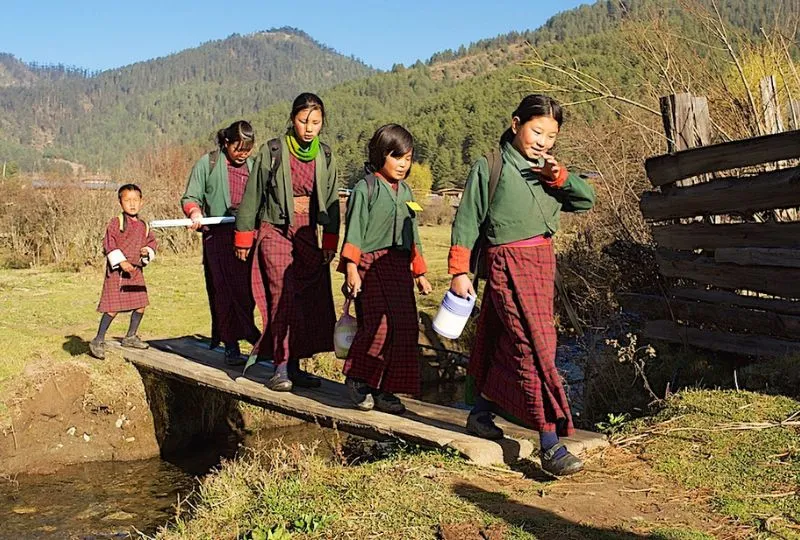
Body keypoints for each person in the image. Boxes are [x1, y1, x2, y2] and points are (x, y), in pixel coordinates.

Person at [448, 94, 595, 476]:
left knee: (501, 340)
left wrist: (559, 178)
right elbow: (466, 221)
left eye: (551, 135)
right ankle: (549, 443)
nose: (543, 141)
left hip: (542, 265)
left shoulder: (549, 171)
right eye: (536, 130)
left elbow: (586, 200)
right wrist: (459, 272)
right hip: (506, 264)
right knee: (534, 347)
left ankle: (480, 414)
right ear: (516, 125)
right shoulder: (491, 167)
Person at [235, 93, 340, 392]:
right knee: (283, 295)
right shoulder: (273, 151)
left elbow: (331, 201)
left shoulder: (326, 156)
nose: (309, 128)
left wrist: (330, 239)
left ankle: (296, 365)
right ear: (292, 119)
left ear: (322, 124)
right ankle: (280, 367)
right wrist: (244, 235)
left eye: (315, 122)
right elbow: (253, 194)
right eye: (303, 120)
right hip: (275, 230)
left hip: (308, 233)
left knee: (308, 297)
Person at [339, 124, 433, 414]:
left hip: (398, 267)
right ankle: (357, 378)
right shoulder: (364, 189)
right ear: (381, 156)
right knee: (378, 326)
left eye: (408, 157)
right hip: (369, 264)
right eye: (397, 157)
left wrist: (420, 272)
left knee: (405, 327)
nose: (404, 164)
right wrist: (352, 268)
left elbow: (412, 233)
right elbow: (354, 231)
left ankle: (384, 389)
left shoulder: (406, 191)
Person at [181, 120, 260, 365]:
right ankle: (231, 343)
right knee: (224, 290)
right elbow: (190, 196)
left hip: (247, 236)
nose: (243, 154)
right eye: (239, 148)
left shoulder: (255, 166)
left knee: (248, 289)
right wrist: (195, 213)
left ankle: (249, 331)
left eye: (248, 149)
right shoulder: (209, 163)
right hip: (218, 238)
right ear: (226, 143)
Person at [89, 184, 158, 360]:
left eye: (136, 200)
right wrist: (121, 261)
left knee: (141, 305)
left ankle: (131, 336)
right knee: (113, 308)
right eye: (128, 200)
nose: (132, 204)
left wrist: (146, 251)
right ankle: (98, 340)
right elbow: (109, 244)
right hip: (118, 273)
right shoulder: (116, 223)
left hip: (136, 270)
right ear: (120, 202)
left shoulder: (144, 226)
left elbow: (152, 243)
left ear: (142, 202)